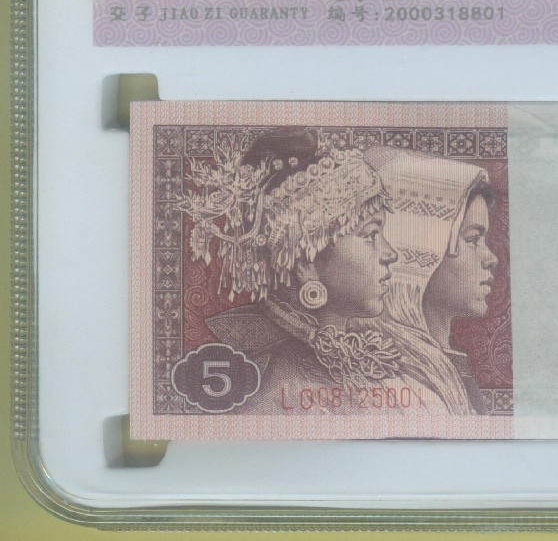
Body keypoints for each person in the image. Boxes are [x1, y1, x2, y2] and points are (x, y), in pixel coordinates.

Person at [175, 127, 402, 414]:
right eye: (370, 235)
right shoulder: (273, 379)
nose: (390, 254)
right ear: (306, 263)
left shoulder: (357, 354)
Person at [356, 145, 499, 415]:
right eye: (472, 239)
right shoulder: (390, 382)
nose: (491, 258)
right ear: (422, 249)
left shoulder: (439, 368)